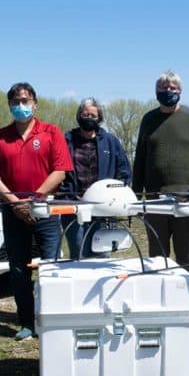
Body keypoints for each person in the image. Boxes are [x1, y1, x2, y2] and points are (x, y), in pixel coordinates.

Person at [0, 82, 73, 341]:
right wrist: (15, 203)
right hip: (13, 212)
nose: (21, 106)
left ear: (35, 103)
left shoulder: (51, 132)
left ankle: (51, 320)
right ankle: (27, 323)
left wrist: (34, 199)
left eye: (25, 100)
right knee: (19, 270)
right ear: (9, 105)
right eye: (16, 102)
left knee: (51, 267)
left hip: (45, 210)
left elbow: (60, 171)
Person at [132, 70, 189, 275]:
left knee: (185, 254)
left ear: (180, 91)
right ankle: (158, 291)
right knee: (157, 255)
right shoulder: (149, 119)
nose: (168, 91)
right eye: (163, 88)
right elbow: (139, 159)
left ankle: (186, 289)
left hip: (187, 198)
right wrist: (136, 196)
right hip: (154, 198)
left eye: (173, 88)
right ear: (156, 91)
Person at [60, 97, 132, 259]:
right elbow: (57, 170)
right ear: (79, 116)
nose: (89, 118)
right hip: (74, 206)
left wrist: (118, 194)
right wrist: (64, 192)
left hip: (103, 208)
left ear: (99, 118)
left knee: (102, 253)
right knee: (79, 252)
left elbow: (124, 170)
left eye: (93, 115)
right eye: (85, 114)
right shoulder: (67, 140)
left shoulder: (110, 141)